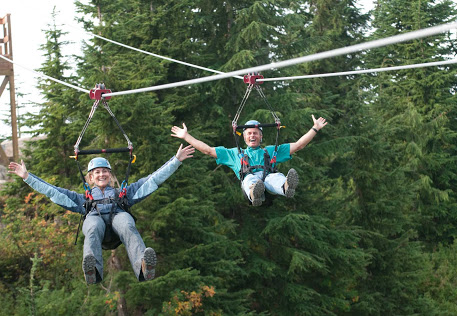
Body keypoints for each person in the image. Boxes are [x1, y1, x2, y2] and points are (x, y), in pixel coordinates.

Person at [8, 144, 195, 284]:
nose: (101, 175)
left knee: (126, 222)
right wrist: (27, 177)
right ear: (91, 177)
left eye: (105, 171)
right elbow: (53, 191)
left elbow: (153, 180)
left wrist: (175, 161)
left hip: (118, 224)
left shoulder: (123, 194)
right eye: (97, 172)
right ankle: (93, 272)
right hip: (96, 226)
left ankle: (144, 268)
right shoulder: (84, 200)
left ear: (110, 174)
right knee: (91, 225)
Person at [171, 115, 327, 206]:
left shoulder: (271, 151)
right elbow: (207, 150)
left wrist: (315, 128)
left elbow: (299, 145)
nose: (252, 136)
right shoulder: (234, 154)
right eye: (249, 133)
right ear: (244, 137)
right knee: (251, 179)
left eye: (256, 133)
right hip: (249, 184)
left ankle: (286, 186)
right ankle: (255, 192)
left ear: (261, 136)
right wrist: (186, 137)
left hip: (268, 179)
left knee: (274, 178)